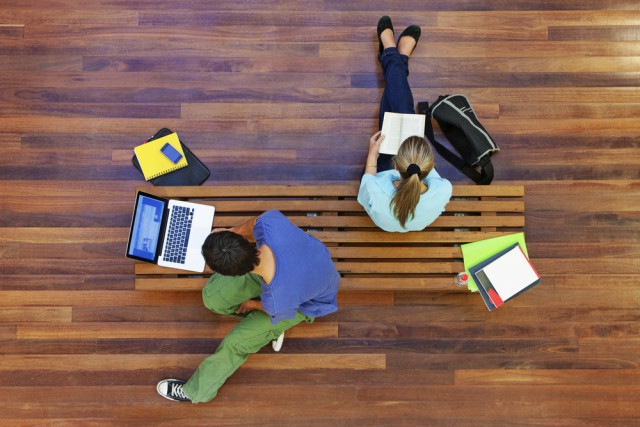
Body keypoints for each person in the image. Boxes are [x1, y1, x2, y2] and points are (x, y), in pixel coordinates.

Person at [156, 210, 340, 403]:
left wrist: (251, 304)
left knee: (235, 344)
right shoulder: (270, 224)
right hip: (292, 268)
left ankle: (197, 392)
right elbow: (254, 222)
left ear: (235, 274)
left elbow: (278, 311)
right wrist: (232, 231)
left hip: (303, 304)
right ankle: (267, 330)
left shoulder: (277, 301)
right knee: (213, 298)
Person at [358, 16, 452, 232]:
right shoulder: (442, 190)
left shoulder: (376, 190)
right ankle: (395, 57)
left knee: (400, 113)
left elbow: (364, 194)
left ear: (395, 164)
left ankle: (392, 55)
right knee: (401, 112)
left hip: (379, 177)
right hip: (402, 185)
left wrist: (372, 154)